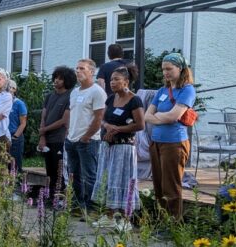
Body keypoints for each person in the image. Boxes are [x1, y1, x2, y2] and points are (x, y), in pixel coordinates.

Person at [144, 53, 196, 219]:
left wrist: (157, 117)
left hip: (174, 143)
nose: (165, 72)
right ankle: (162, 220)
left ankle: (173, 222)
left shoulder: (187, 90)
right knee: (158, 185)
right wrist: (162, 117)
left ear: (180, 69)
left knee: (171, 186)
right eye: (163, 69)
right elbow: (146, 115)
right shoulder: (162, 90)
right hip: (156, 142)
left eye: (169, 68)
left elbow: (174, 116)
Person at [92, 65, 144, 229]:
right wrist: (107, 126)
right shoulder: (110, 98)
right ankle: (109, 216)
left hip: (124, 148)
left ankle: (125, 220)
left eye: (116, 79)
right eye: (111, 79)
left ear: (126, 81)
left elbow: (140, 124)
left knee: (123, 180)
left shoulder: (134, 100)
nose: (112, 82)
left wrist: (118, 129)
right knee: (107, 179)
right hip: (108, 147)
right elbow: (101, 119)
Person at [65, 59, 107, 211]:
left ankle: (91, 209)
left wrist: (86, 137)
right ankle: (77, 206)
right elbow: (72, 114)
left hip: (88, 141)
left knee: (89, 176)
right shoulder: (75, 92)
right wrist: (69, 133)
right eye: (76, 68)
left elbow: (98, 118)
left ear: (92, 72)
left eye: (82, 68)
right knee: (73, 175)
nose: (78, 71)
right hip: (72, 139)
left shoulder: (97, 92)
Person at [38, 66, 76, 205]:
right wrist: (42, 135)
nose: (56, 81)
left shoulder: (70, 96)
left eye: (60, 78)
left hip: (60, 139)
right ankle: (50, 196)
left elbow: (64, 120)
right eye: (55, 77)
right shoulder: (49, 96)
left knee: (60, 169)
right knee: (50, 170)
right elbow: (44, 115)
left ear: (67, 80)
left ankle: (61, 198)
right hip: (47, 138)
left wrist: (45, 129)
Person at [7, 79, 28, 177]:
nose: (7, 90)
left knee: (14, 165)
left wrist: (15, 137)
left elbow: (23, 123)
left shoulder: (19, 104)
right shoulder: (2, 102)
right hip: (3, 136)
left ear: (14, 89)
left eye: (9, 88)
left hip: (14, 137)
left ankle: (17, 189)